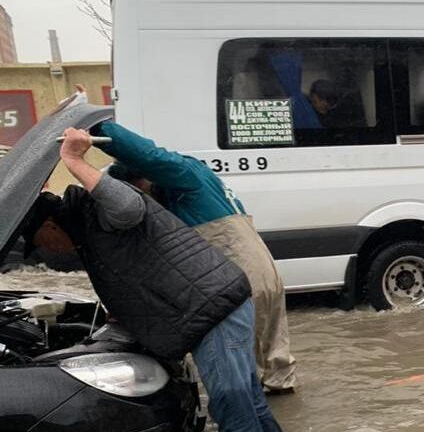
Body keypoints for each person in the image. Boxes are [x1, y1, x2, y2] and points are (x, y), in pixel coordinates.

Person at [23, 127, 282, 432]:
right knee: (247, 399)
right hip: (213, 304)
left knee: (231, 407)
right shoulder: (88, 232)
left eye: (39, 240)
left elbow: (128, 207)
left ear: (51, 224)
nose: (46, 250)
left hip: (214, 309)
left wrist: (73, 160)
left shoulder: (95, 208)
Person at [89, 120, 298, 395]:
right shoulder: (200, 188)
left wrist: (98, 129)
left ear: (142, 179)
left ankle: (260, 425)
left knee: (237, 376)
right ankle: (284, 419)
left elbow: (146, 154)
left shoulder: (185, 175)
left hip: (242, 283)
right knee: (276, 367)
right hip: (266, 275)